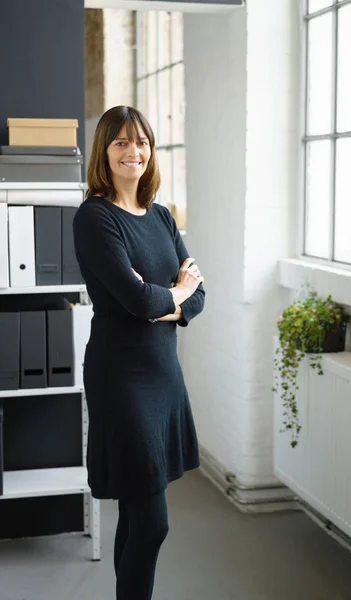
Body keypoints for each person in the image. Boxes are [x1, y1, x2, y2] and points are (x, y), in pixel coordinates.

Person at [73, 105, 205, 600]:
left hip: (163, 374)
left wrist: (168, 301)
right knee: (153, 524)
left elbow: (197, 294)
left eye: (142, 142)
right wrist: (172, 293)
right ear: (104, 152)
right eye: (121, 143)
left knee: (136, 509)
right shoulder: (95, 217)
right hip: (121, 377)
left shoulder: (162, 217)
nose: (134, 152)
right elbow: (137, 299)